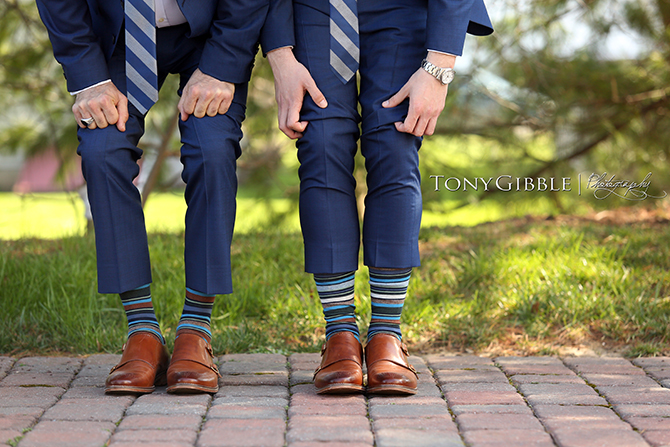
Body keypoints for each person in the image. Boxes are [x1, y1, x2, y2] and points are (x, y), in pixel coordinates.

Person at [35, 0, 293, 394]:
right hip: (118, 32)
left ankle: (196, 328)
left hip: (213, 32)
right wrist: (87, 78)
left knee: (212, 149)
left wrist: (223, 65)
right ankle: (142, 331)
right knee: (103, 150)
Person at [267, 0, 493, 394]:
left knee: (395, 144)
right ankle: (339, 335)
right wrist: (280, 56)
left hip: (402, 8)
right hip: (313, 9)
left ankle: (387, 333)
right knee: (319, 145)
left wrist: (439, 66)